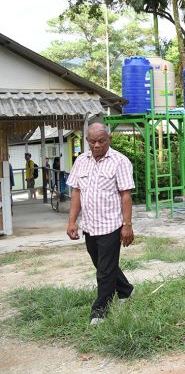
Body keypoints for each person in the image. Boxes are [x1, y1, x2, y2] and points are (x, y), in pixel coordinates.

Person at [66, 124, 136, 325]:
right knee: (102, 264)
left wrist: (127, 225)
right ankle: (126, 291)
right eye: (92, 141)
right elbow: (77, 192)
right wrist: (72, 221)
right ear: (87, 140)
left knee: (104, 271)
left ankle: (100, 311)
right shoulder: (81, 161)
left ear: (109, 139)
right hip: (89, 226)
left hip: (111, 225)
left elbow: (125, 195)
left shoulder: (120, 161)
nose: (96, 145)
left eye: (101, 141)